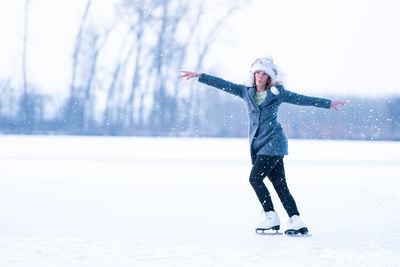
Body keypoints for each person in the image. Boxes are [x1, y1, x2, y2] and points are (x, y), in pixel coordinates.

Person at [180, 56, 346, 235]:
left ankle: (271, 216)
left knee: (255, 178)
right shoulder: (246, 92)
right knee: (280, 185)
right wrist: (200, 76)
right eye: (257, 73)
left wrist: (328, 104)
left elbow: (301, 99)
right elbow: (224, 84)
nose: (259, 77)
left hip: (275, 142)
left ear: (269, 77)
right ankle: (296, 220)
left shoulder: (277, 93)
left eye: (264, 74)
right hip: (260, 145)